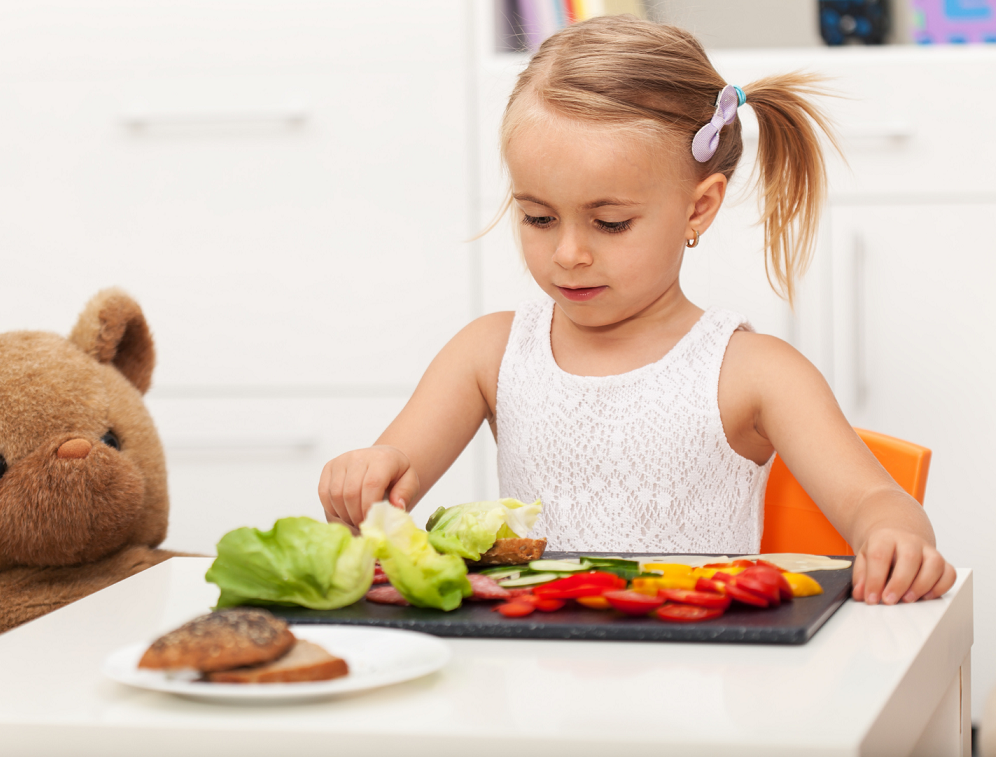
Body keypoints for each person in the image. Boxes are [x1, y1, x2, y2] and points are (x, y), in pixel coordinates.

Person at [318, 15, 955, 605]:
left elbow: (875, 500)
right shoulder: (488, 355)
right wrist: (365, 476)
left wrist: (894, 536)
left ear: (698, 207)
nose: (568, 253)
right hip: (539, 673)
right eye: (538, 217)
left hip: (703, 673)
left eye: (611, 222)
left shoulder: (754, 372)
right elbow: (389, 479)